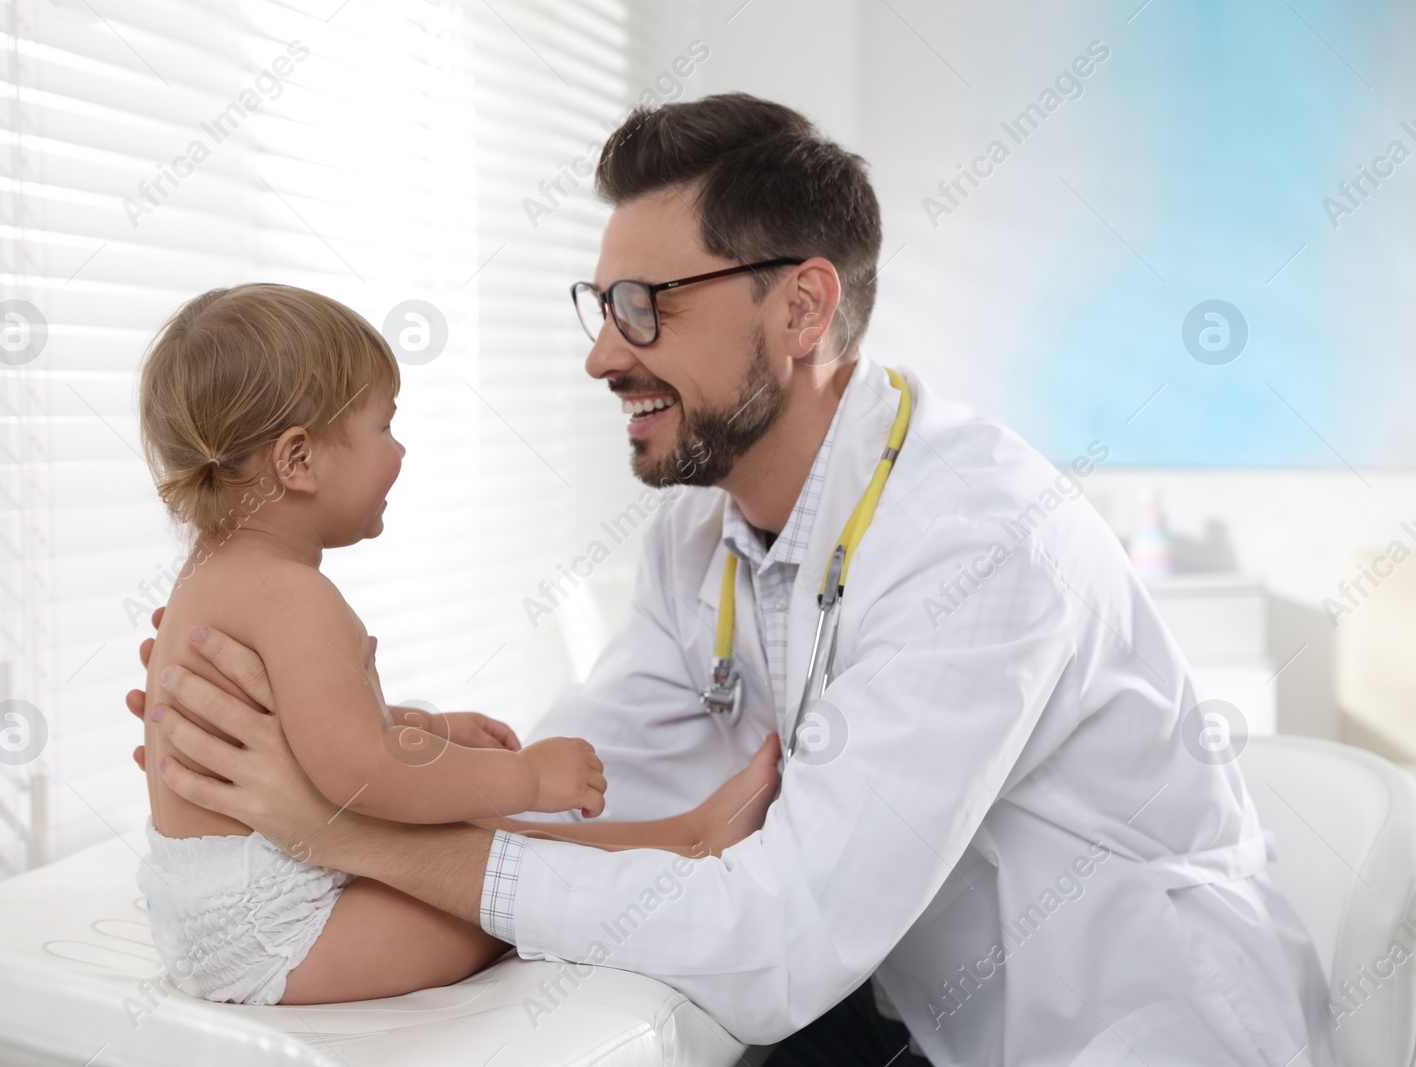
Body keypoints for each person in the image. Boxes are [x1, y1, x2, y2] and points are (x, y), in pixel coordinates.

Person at [129, 95, 1336, 1064]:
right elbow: (573, 797)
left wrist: (338, 828)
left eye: (645, 306)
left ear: (802, 307)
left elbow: (781, 939)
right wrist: (309, 728)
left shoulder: (978, 542)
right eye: (601, 305)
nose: (603, 351)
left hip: (1115, 1030)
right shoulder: (695, 537)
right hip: (904, 997)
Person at [131, 282, 778, 1008]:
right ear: (299, 460)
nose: (400, 451)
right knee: (498, 892)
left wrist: (434, 731)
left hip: (218, 908)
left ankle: (682, 835)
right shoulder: (295, 595)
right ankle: (685, 841)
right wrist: (529, 778)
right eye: (384, 426)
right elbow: (361, 774)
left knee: (466, 835)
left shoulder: (212, 575)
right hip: (282, 931)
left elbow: (314, 729)